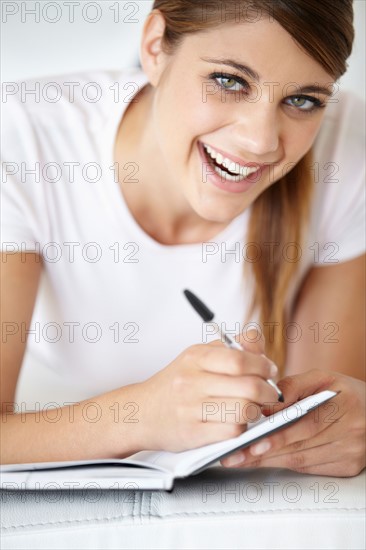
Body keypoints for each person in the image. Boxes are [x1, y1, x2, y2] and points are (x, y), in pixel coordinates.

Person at [1, 0, 364, 477]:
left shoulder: (347, 150)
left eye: (302, 100)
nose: (261, 141)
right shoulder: (23, 136)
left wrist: (338, 433)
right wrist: (141, 417)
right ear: (154, 46)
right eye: (229, 81)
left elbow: (307, 430)